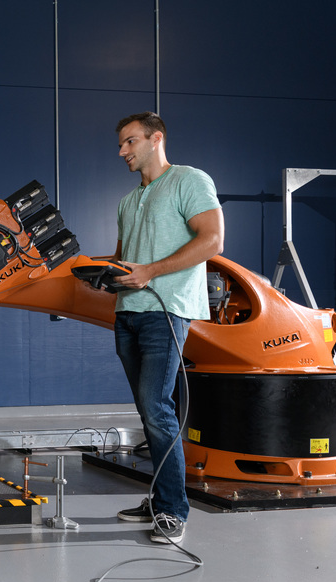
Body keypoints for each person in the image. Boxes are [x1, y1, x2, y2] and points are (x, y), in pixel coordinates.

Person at [109, 112, 224, 544]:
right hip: (128, 314)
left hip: (167, 310)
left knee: (156, 407)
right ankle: (161, 499)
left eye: (130, 141)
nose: (122, 151)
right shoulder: (128, 201)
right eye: (120, 144)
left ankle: (174, 509)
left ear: (156, 138)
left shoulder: (189, 181)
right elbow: (124, 261)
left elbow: (212, 241)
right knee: (150, 410)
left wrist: (151, 272)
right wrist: (96, 273)